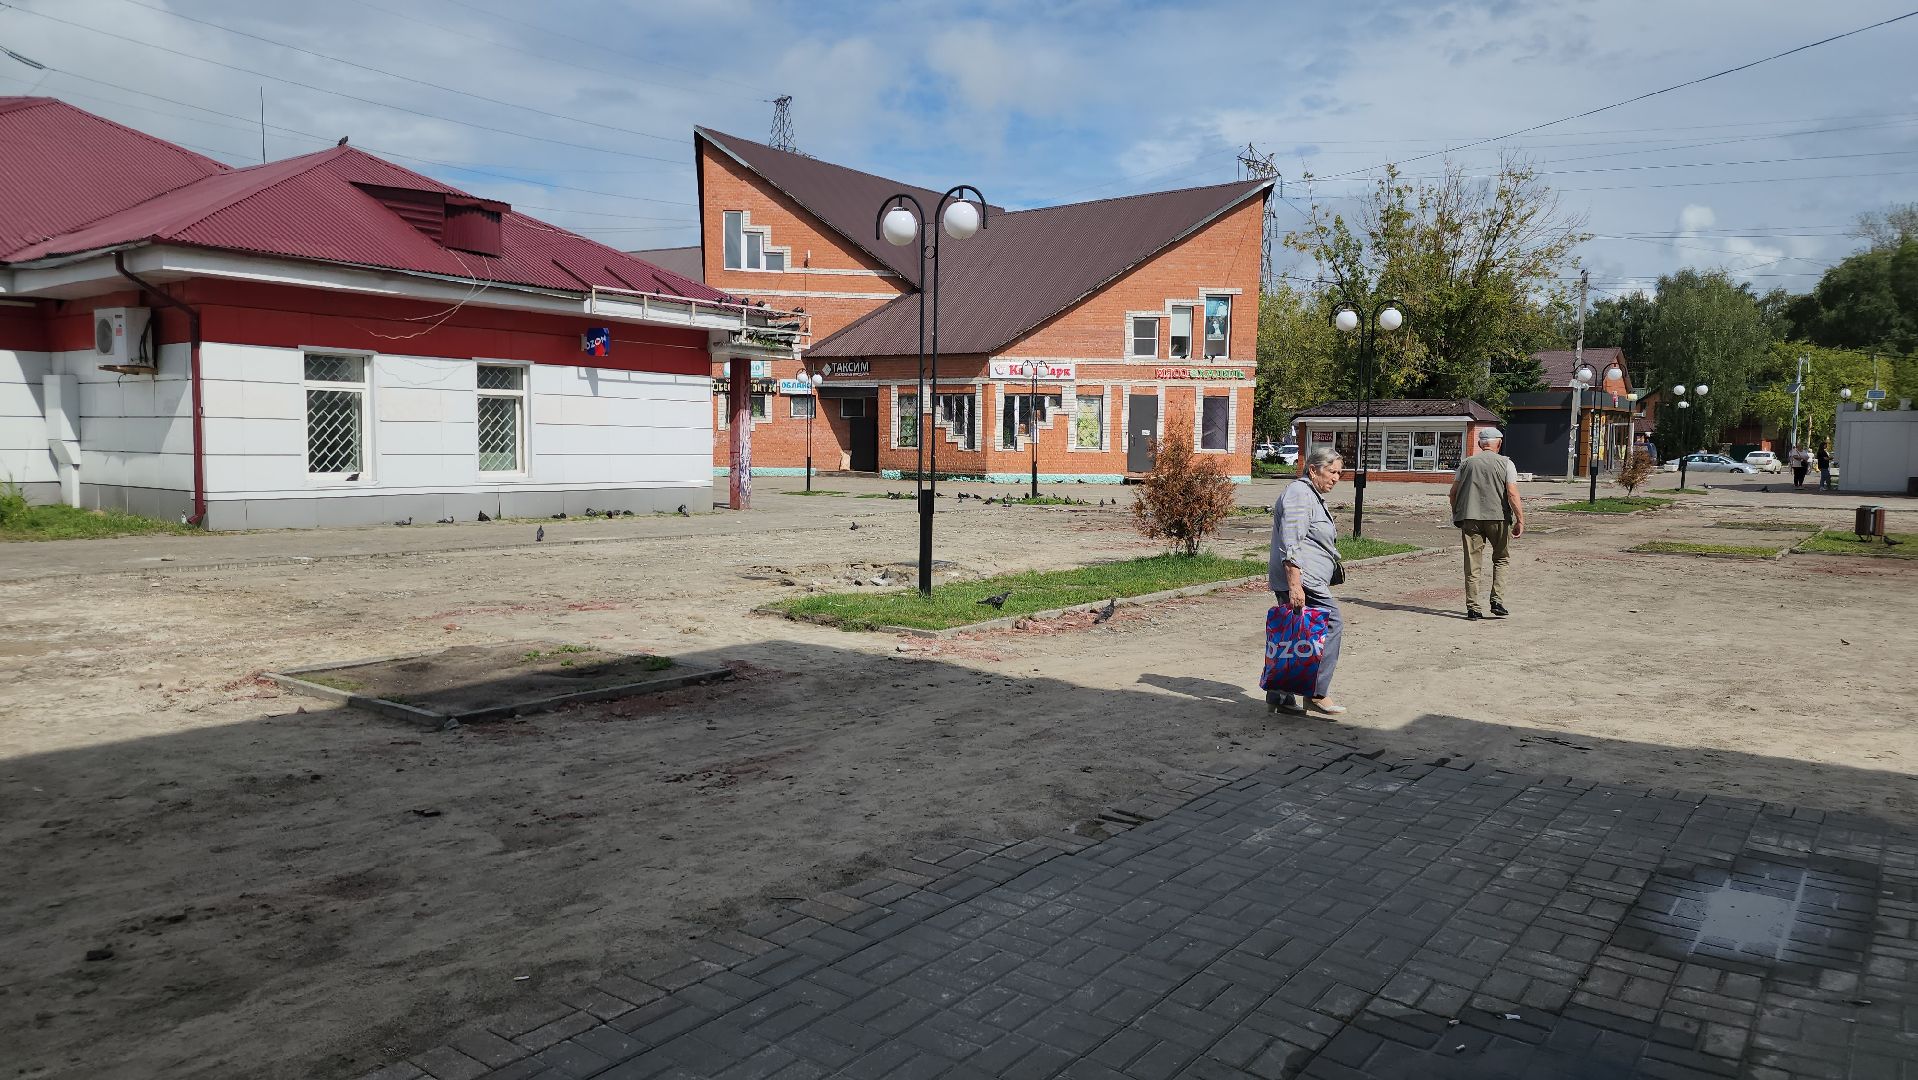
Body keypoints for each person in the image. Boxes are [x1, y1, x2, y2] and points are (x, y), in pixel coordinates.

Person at [1267, 448, 1346, 717]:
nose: (1336, 478)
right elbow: (1291, 543)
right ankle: (1316, 692)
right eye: (1332, 472)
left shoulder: (1310, 494)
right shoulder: (1300, 494)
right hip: (1304, 580)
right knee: (1332, 622)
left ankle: (1280, 695)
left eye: (1339, 473)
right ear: (1313, 470)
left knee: (1294, 635)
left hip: (1306, 578)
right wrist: (1295, 585)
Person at [1449, 427, 1525, 621]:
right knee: (1501, 558)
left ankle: (1473, 608)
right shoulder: (1506, 463)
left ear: (1480, 444)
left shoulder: (1465, 464)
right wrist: (1520, 519)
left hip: (1470, 518)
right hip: (1498, 517)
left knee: (1472, 563)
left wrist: (1457, 513)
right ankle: (1496, 601)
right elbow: (1512, 493)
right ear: (1498, 443)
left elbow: (1453, 493)